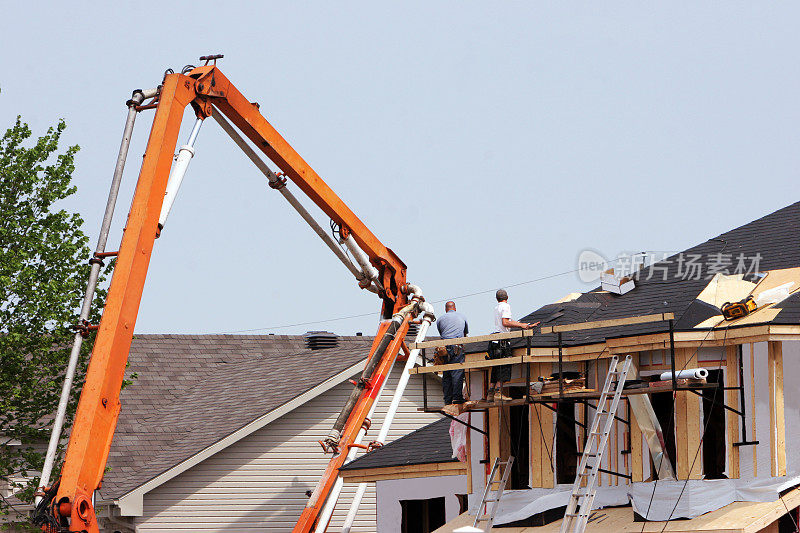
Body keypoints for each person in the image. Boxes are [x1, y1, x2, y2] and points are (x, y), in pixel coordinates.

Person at [488, 289, 539, 403]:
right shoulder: (506, 306)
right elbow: (505, 322)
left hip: (495, 340)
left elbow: (507, 321)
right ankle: (498, 393)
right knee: (504, 367)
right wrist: (522, 325)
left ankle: (490, 394)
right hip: (503, 342)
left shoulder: (497, 308)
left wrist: (522, 325)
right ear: (507, 297)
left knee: (496, 367)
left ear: (497, 299)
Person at [436, 301, 468, 413]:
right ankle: (457, 398)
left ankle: (447, 400)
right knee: (457, 373)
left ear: (446, 309)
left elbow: (442, 334)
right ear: (455, 308)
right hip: (457, 347)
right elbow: (465, 334)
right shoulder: (462, 317)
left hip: (444, 349)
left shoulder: (440, 319)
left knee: (447, 375)